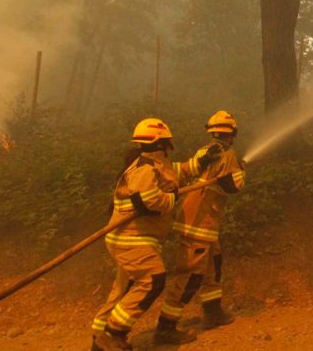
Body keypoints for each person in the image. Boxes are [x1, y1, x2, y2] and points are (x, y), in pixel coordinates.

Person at [91, 118, 221, 351]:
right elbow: (149, 201)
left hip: (130, 238)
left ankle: (99, 335)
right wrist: (172, 198)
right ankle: (112, 334)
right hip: (132, 239)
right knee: (152, 279)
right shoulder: (144, 169)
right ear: (161, 144)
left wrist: (201, 162)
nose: (169, 147)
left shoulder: (155, 165)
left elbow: (176, 173)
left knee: (124, 288)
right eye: (167, 143)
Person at [154, 110, 246, 345]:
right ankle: (166, 326)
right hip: (199, 222)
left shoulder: (206, 151)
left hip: (203, 221)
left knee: (212, 266)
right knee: (190, 274)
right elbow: (235, 185)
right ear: (232, 134)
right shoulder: (226, 154)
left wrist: (236, 169)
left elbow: (200, 173)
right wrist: (239, 172)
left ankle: (213, 311)